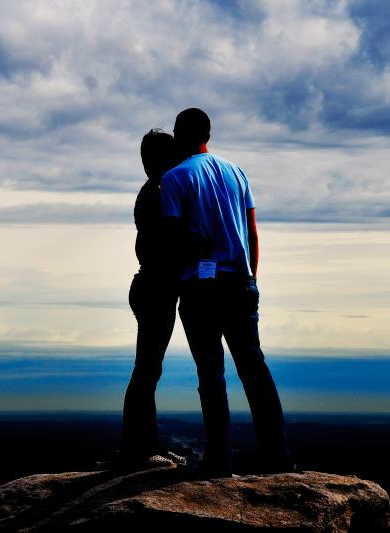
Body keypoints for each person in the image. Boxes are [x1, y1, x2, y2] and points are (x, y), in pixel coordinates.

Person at [160, 108, 295, 478]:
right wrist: (251, 276)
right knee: (254, 370)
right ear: (209, 133)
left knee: (211, 374)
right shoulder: (237, 172)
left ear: (177, 135)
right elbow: (252, 231)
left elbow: (173, 238)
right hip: (241, 281)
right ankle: (278, 456)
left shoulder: (174, 179)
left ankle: (219, 459)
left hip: (201, 288)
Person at [118, 129, 185, 470]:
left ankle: (147, 445)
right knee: (146, 371)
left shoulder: (155, 190)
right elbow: (165, 243)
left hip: (152, 287)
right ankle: (139, 450)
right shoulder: (159, 192)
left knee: (149, 370)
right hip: (154, 288)